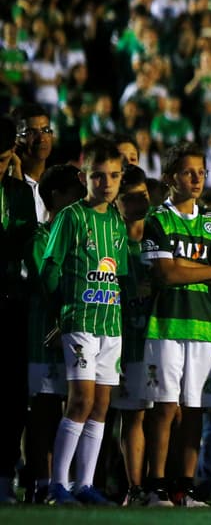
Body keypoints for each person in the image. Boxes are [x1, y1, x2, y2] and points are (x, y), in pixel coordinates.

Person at [139, 142, 211, 507]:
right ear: (170, 177)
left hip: (203, 326)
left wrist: (183, 269)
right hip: (165, 325)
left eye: (201, 172)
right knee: (164, 407)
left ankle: (185, 487)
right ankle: (155, 484)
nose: (196, 179)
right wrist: (206, 271)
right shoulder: (157, 220)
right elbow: (163, 273)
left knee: (194, 408)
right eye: (188, 172)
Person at [40, 137, 128, 505]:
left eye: (112, 176)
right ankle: (56, 484)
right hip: (80, 323)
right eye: (97, 176)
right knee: (80, 401)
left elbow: (118, 274)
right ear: (83, 176)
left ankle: (84, 484)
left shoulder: (118, 222)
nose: (106, 183)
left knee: (101, 405)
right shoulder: (71, 217)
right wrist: (62, 311)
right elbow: (50, 269)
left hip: (111, 324)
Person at [26, 165, 82, 504]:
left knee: (77, 407)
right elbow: (47, 284)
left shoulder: (81, 230)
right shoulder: (40, 237)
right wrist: (67, 316)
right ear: (58, 196)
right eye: (75, 189)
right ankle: (41, 482)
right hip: (45, 335)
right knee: (45, 410)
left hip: (76, 331)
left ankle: (74, 483)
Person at [112, 165, 156, 506]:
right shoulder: (113, 239)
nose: (140, 203)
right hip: (123, 340)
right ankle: (133, 486)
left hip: (161, 337)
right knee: (132, 414)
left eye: (144, 196)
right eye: (131, 198)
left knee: (168, 413)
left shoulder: (159, 234)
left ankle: (162, 485)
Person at [0, 114, 36, 501]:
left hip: (11, 303)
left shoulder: (20, 192)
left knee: (12, 396)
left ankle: (5, 473)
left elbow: (24, 242)